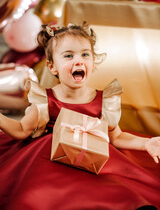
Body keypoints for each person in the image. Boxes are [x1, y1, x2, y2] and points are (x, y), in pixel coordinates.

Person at [0, 22, 160, 210]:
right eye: (68, 55)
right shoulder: (45, 100)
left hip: (93, 158)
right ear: (52, 67)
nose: (78, 61)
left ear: (93, 62)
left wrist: (145, 143)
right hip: (52, 160)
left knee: (116, 190)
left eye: (85, 54)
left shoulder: (104, 100)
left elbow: (116, 137)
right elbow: (21, 130)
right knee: (38, 191)